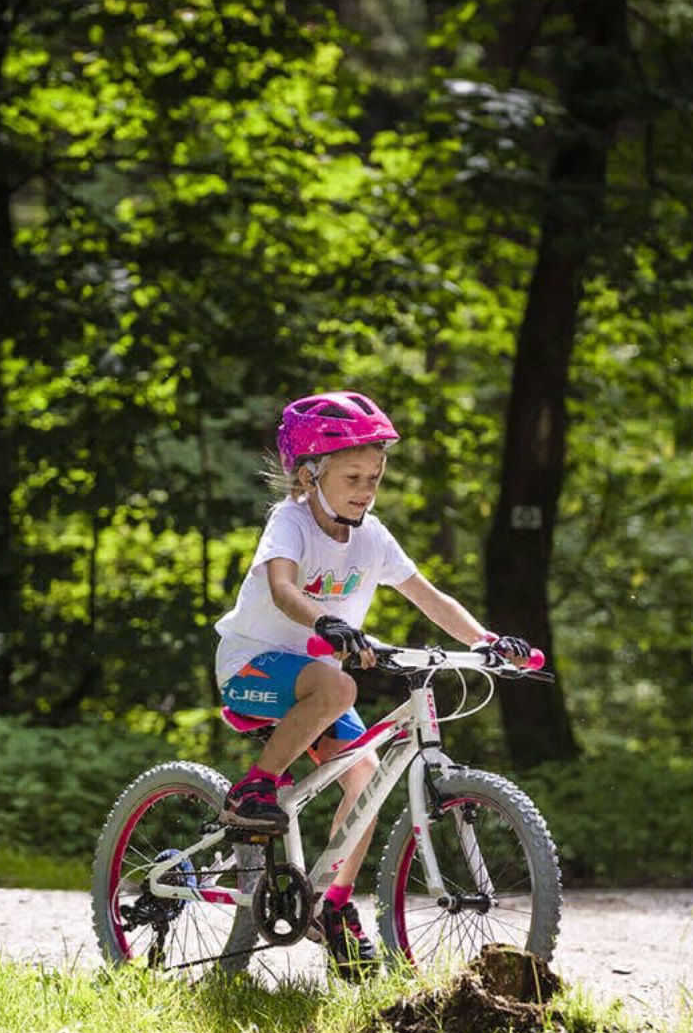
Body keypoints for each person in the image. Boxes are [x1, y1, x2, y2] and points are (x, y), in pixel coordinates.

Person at [212, 391, 534, 977]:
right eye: (353, 475)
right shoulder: (290, 522)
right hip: (253, 669)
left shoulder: (373, 536)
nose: (366, 488)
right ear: (309, 476)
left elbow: (430, 597)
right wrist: (327, 621)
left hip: (316, 684)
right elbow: (284, 590)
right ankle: (254, 787)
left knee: (365, 783)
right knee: (339, 689)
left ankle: (331, 906)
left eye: (376, 477)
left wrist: (485, 641)